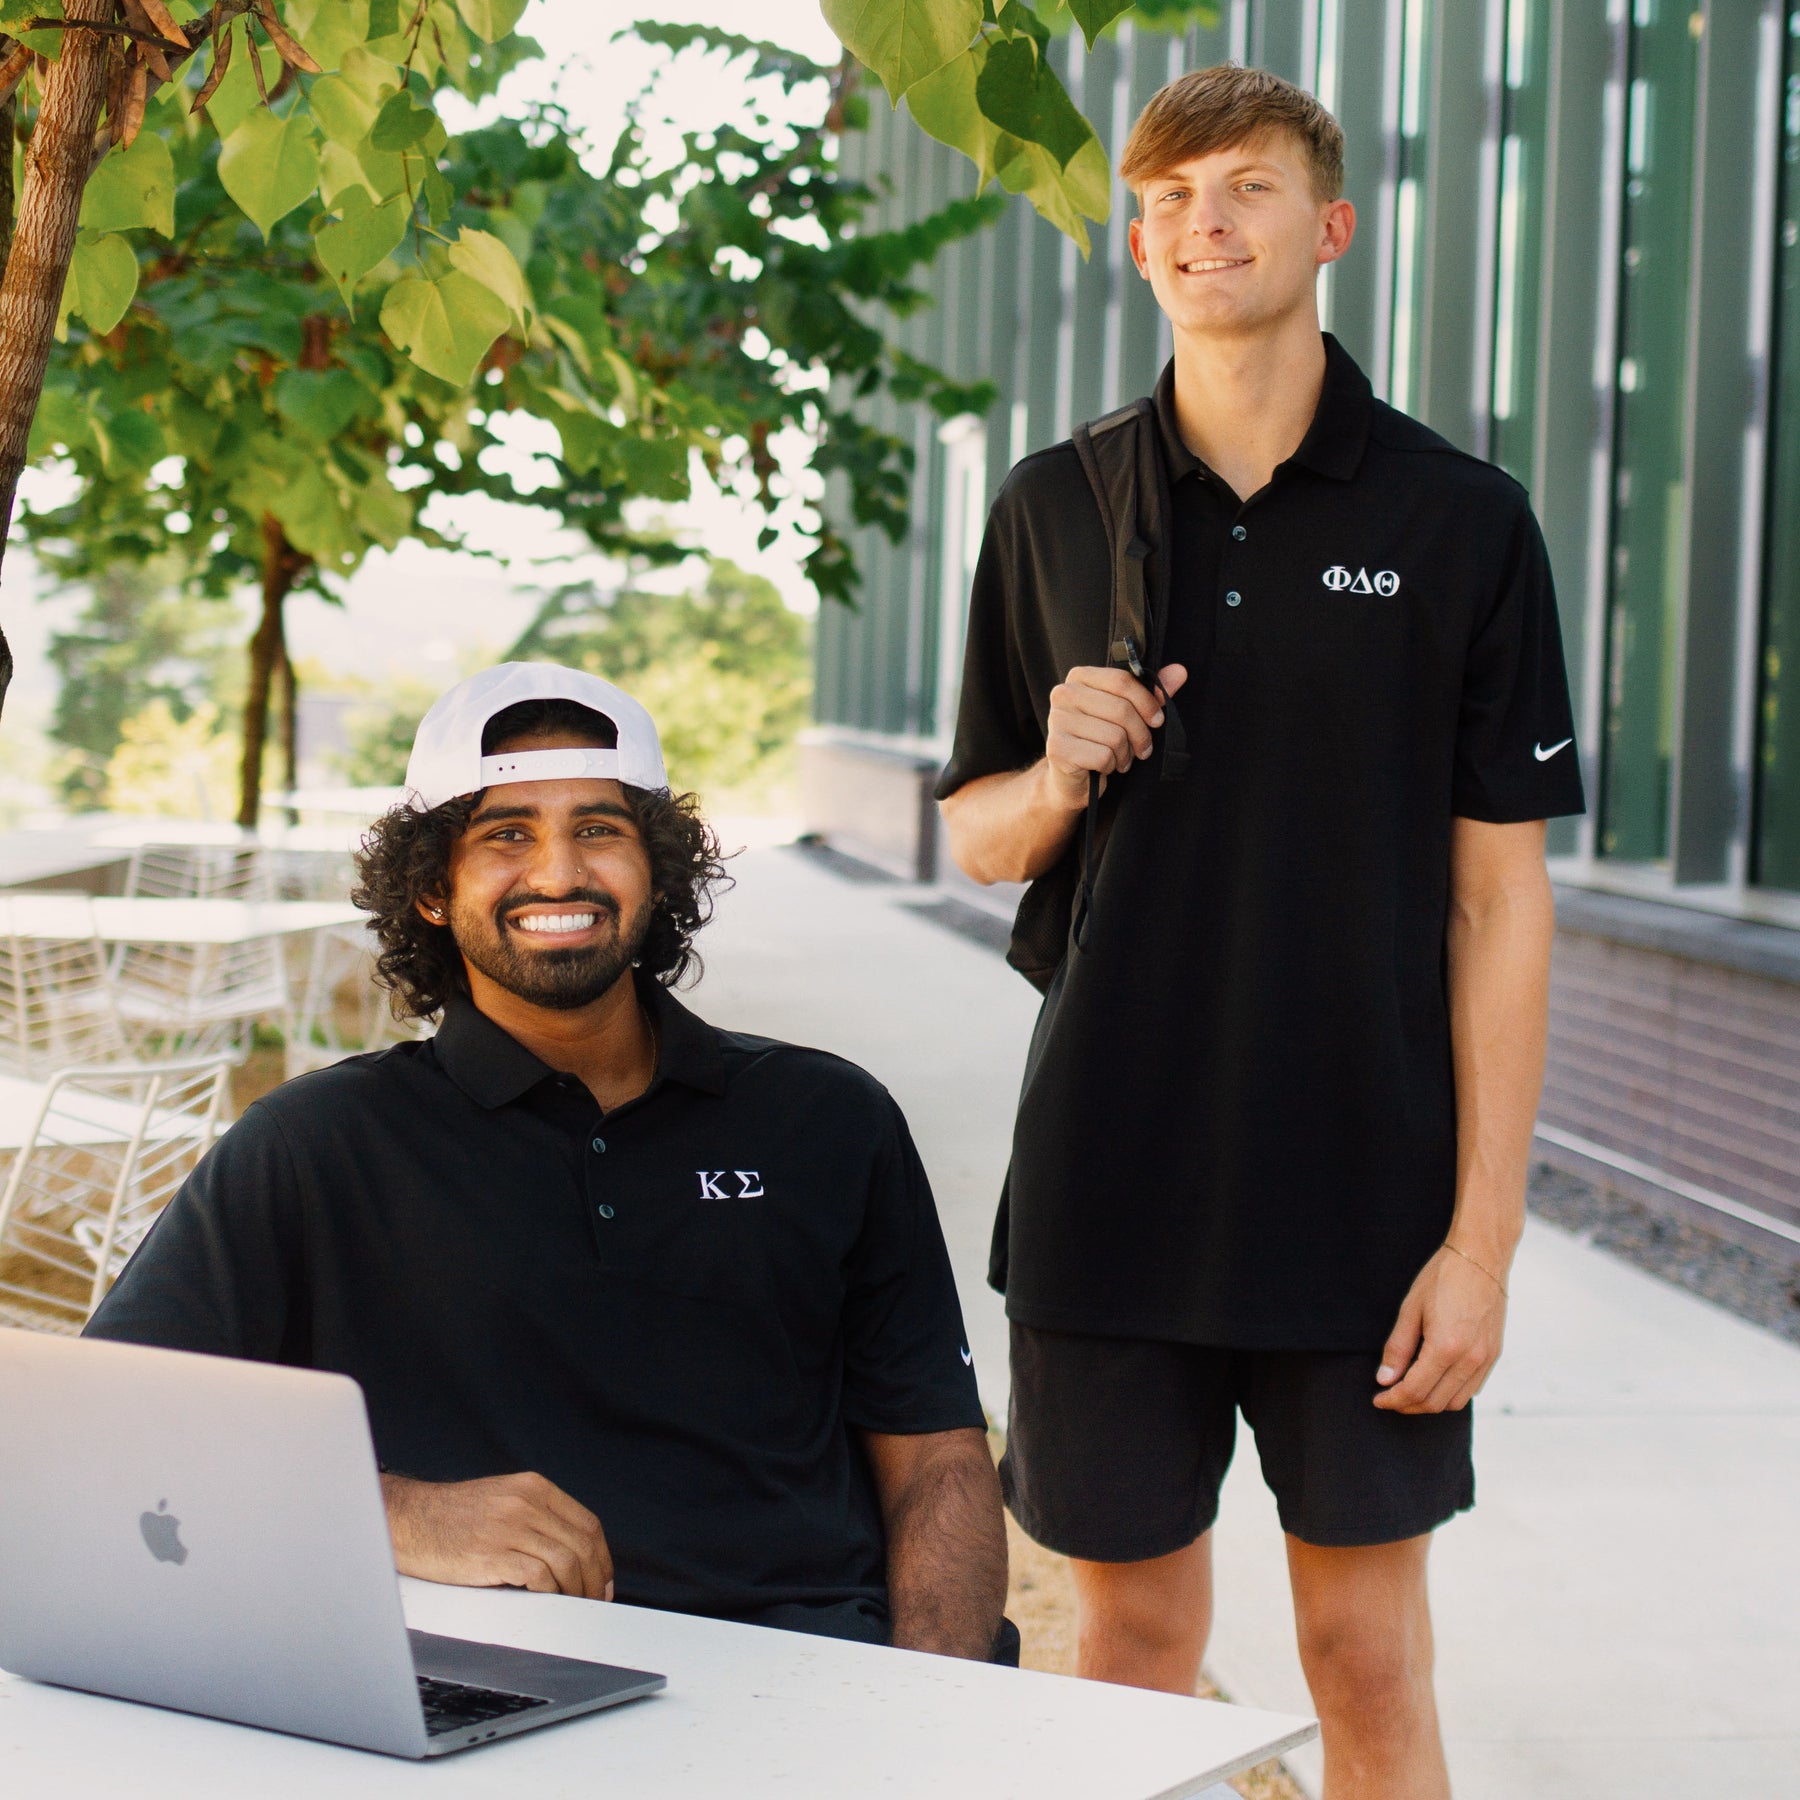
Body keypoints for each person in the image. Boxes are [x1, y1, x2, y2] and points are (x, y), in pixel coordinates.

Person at [937, 66, 1584, 1797]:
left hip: (1366, 1208)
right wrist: (1061, 777)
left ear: (1330, 225)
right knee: (1127, 1659)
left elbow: (1497, 901)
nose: (1200, 226)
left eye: (1242, 190)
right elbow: (977, 833)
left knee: (1364, 1662)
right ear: (1137, 244)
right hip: (1109, 1185)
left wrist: (1483, 1245)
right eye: (1166, 201)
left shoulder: (1461, 522)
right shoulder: (1054, 504)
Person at [89, 662, 1010, 1661]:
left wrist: (933, 1702)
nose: (560, 873)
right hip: (478, 1683)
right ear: (434, 888)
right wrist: (392, 1510)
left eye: (600, 829)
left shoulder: (830, 1118)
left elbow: (935, 1459)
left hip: (806, 1669)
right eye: (507, 834)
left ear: (658, 870)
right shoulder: (317, 1145)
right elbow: (109, 1428)